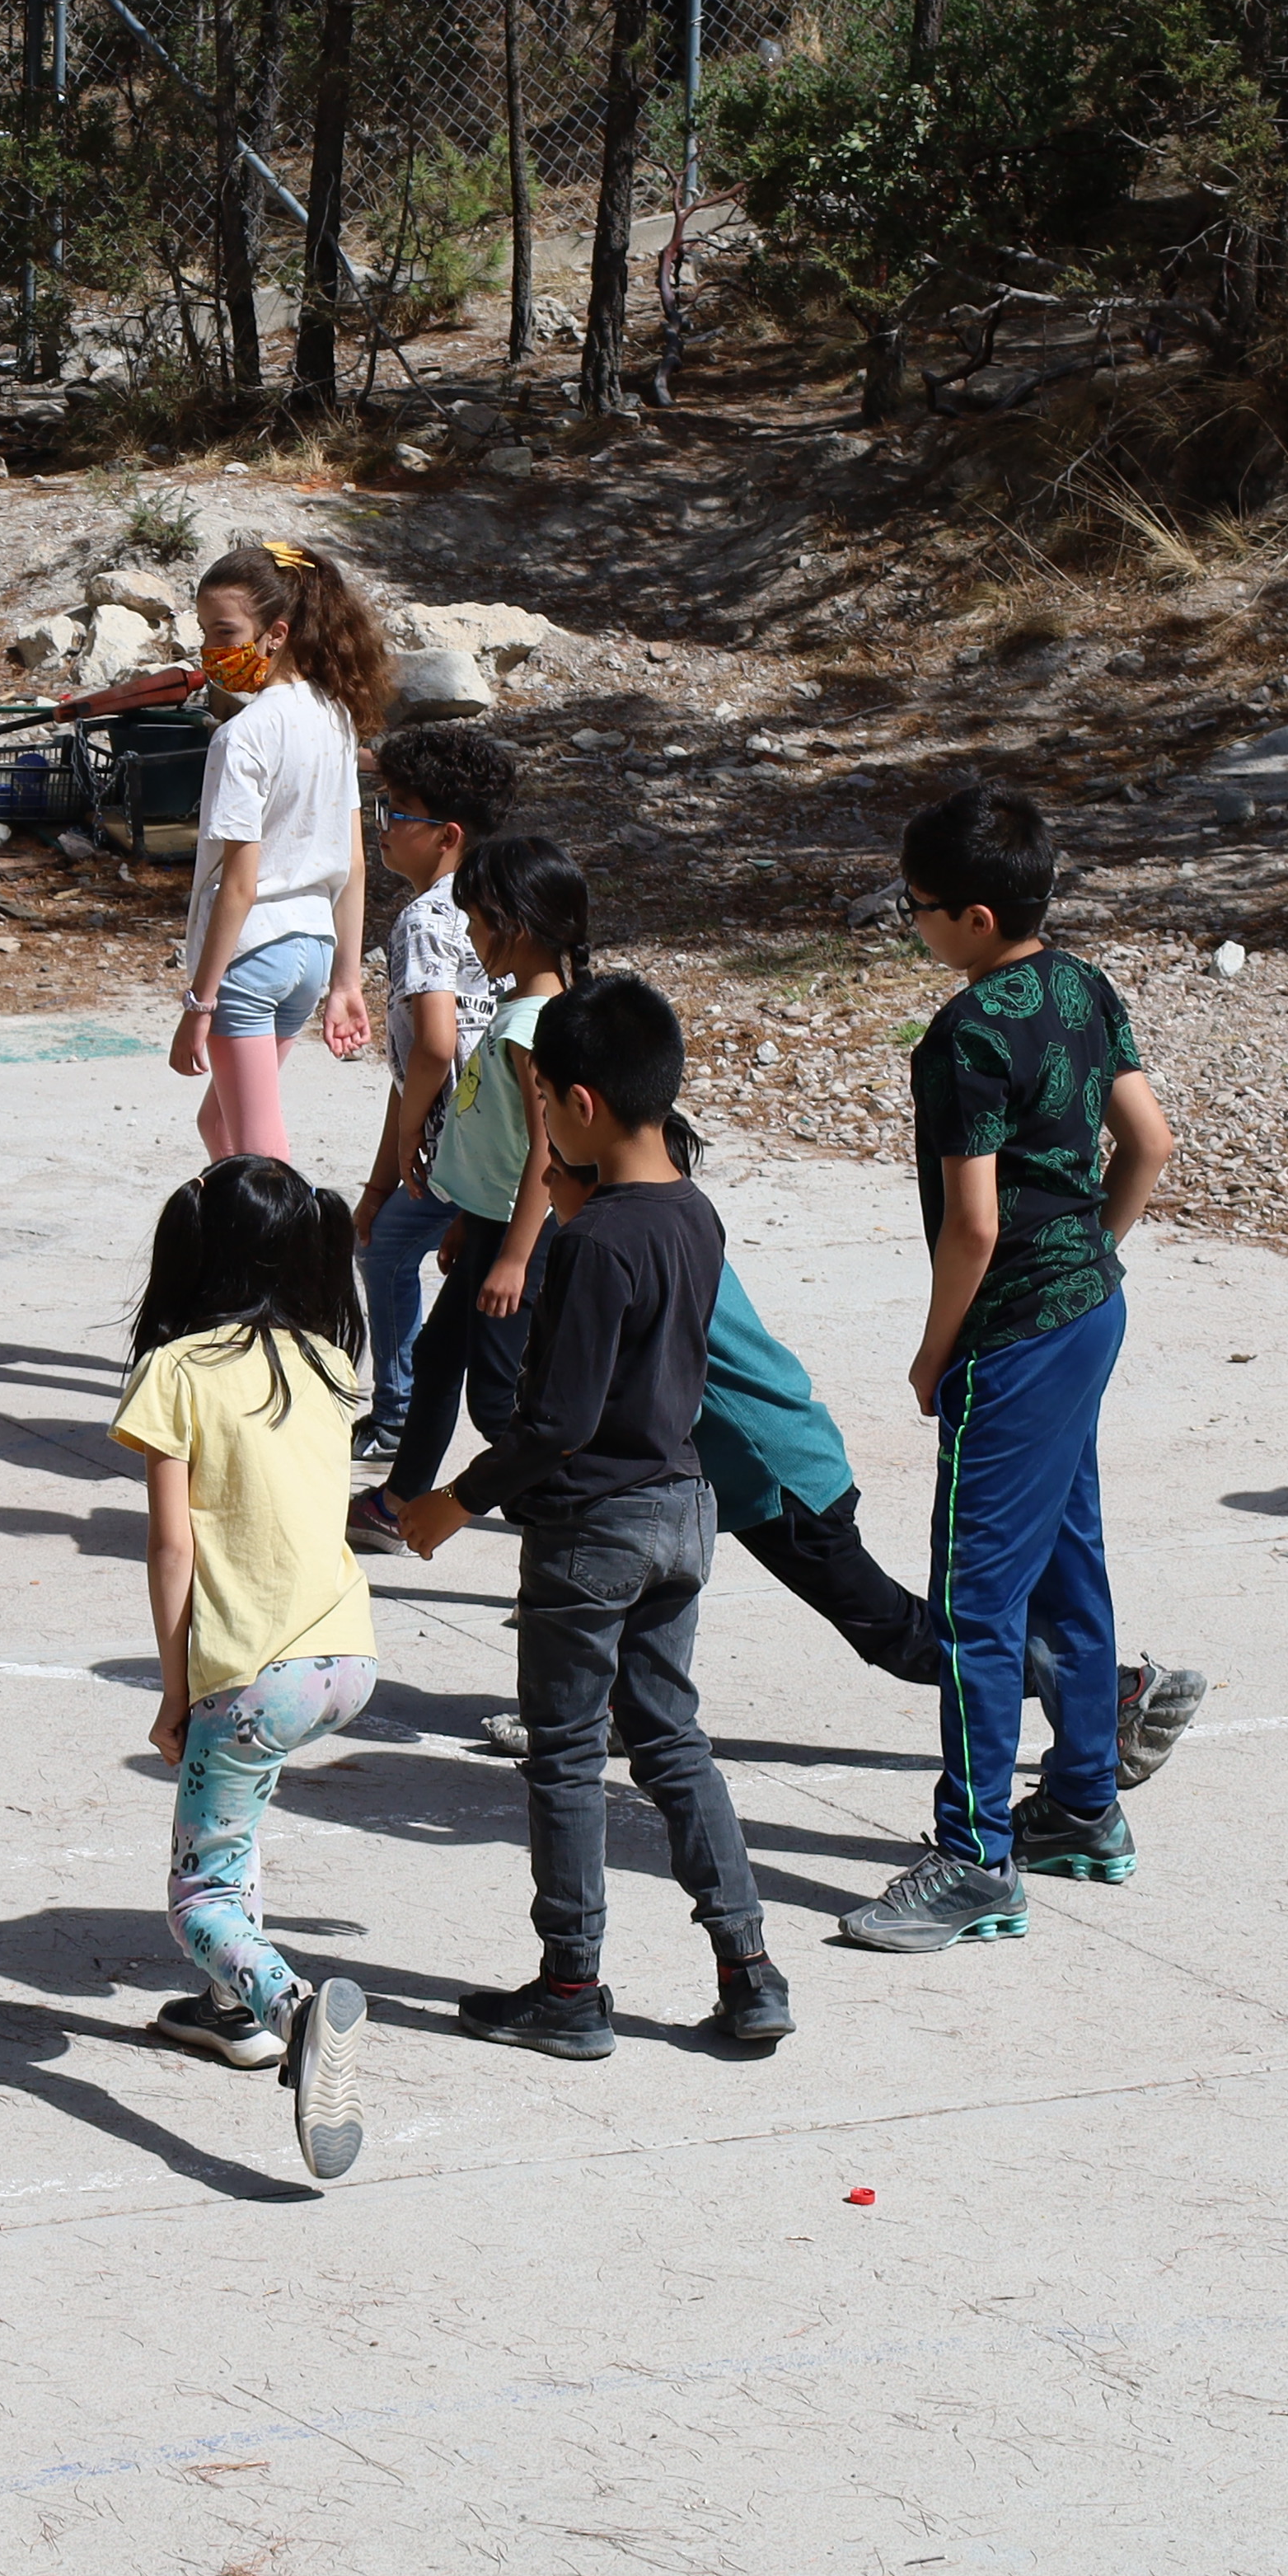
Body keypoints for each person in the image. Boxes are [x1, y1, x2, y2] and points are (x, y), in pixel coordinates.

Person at [470, 1204, 1212, 1795]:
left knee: (903, 1637)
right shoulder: (657, 1216)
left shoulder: (617, 1241)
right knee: (633, 1578)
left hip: (777, 1474)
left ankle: (1115, 1691)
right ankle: (607, 1711)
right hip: (749, 1463)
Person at [392, 979, 780, 2060]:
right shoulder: (692, 1214)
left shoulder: (593, 1244)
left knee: (565, 1756)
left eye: (540, 1112)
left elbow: (556, 1421)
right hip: (682, 1510)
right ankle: (748, 1966)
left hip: (594, 1530)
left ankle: (571, 1985)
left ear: (578, 1104)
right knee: (672, 1740)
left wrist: (449, 1505)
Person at [841, 783, 1177, 1955]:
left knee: (977, 1601)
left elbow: (972, 1227)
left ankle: (974, 1856)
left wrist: (938, 1349)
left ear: (976, 918)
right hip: (1090, 1308)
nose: (915, 926)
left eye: (920, 909)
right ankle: (1085, 1804)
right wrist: (1097, 1248)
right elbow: (1150, 1141)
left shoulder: (969, 1034)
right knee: (1068, 1561)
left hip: (1013, 1334)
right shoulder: (1084, 984)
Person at [114, 1157, 380, 2180]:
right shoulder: (327, 1364)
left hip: (251, 1668)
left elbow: (171, 1547)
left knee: (196, 1897)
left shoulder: (175, 1370)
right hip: (344, 1657)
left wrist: (177, 1689)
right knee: (238, 1811)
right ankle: (231, 2014)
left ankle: (290, 2005)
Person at [363, 833, 586, 1549]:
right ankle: (400, 1501)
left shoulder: (531, 1027)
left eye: (478, 922)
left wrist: (516, 1260)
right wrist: (469, 1222)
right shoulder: (523, 1007)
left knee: (498, 1400)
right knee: (436, 1357)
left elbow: (546, 1154)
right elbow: (499, 1142)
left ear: (515, 927)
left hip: (523, 1239)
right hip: (491, 1227)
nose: (471, 935)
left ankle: (572, 1531)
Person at [165, 538, 392, 1161]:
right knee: (220, 1128)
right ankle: (239, 1250)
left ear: (275, 633)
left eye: (224, 631)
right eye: (205, 630)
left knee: (262, 1156)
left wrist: (198, 1003)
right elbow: (351, 861)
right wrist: (347, 978)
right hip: (311, 953)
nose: (212, 648)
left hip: (251, 956)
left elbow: (239, 883)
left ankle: (288, 1255)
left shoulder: (242, 737)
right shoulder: (335, 719)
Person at [354, 725, 513, 1448]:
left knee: (385, 1256)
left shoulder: (424, 918)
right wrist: (379, 1181)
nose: (380, 828)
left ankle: (396, 1415)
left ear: (445, 834)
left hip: (458, 1149)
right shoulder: (509, 901)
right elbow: (411, 1069)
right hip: (510, 1139)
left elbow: (433, 1048)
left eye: (394, 813)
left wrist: (415, 1134)